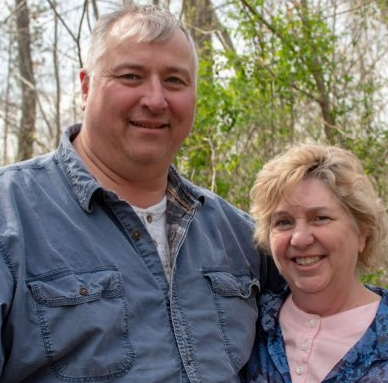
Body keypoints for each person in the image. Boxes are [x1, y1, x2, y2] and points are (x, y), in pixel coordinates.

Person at [0, 4, 284, 382]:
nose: (155, 99)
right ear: (86, 87)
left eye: (175, 81)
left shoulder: (239, 236)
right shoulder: (10, 216)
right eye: (131, 76)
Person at [242, 144, 388, 383]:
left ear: (362, 233)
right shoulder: (250, 321)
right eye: (284, 222)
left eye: (320, 218)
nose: (299, 239)